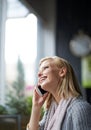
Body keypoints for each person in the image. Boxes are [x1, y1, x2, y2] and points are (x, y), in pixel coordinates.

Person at [26, 56, 91, 130]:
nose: (39, 74)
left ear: (62, 72)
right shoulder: (51, 111)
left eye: (45, 68)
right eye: (39, 70)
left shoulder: (79, 109)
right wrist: (36, 106)